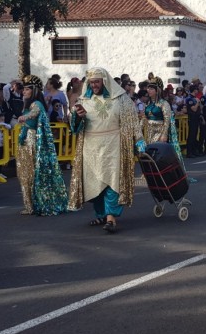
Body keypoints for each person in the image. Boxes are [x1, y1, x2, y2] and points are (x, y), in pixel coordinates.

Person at [68, 67, 146, 233]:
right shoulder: (84, 99)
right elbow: (74, 127)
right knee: (94, 182)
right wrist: (77, 116)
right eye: (91, 82)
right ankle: (102, 214)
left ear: (105, 80)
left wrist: (138, 141)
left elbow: (132, 120)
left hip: (113, 145)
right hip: (91, 147)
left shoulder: (120, 99)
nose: (94, 85)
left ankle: (111, 218)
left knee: (112, 180)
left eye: (97, 81)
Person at [14, 75, 68, 216]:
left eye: (27, 89)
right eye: (23, 89)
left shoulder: (36, 104)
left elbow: (35, 113)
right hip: (26, 139)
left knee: (29, 172)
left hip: (31, 140)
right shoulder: (29, 103)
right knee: (26, 173)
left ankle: (33, 204)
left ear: (33, 90)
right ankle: (31, 204)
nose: (24, 92)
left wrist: (25, 117)